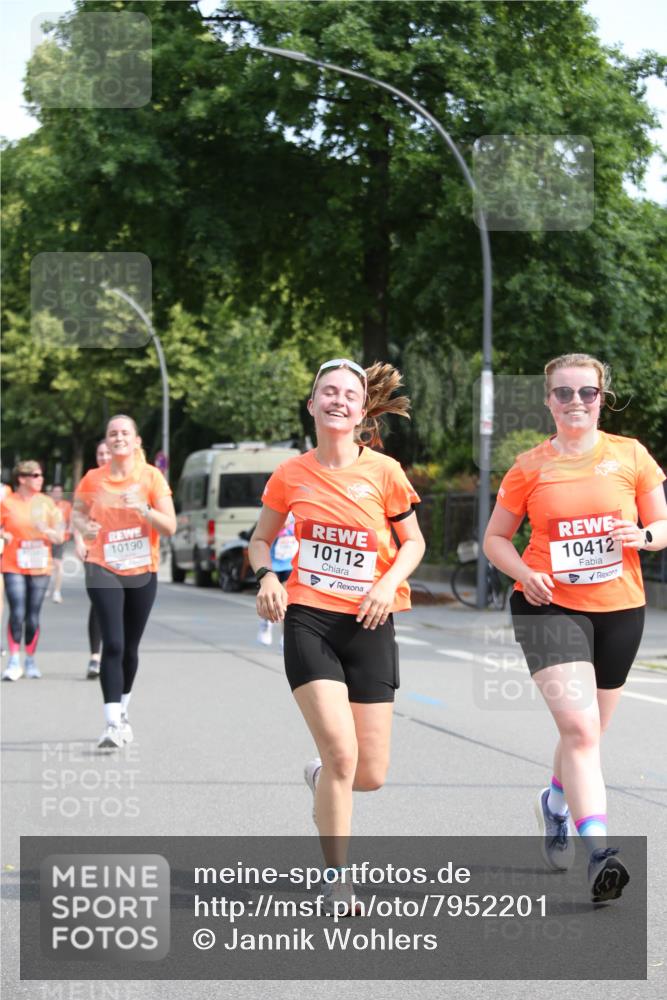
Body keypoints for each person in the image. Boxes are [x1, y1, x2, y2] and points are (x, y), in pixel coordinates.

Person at [483, 353, 667, 903]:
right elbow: (495, 539)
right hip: (547, 607)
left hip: (619, 608)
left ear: (601, 398)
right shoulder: (529, 467)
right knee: (582, 732)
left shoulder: (630, 455)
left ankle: (556, 804)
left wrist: (645, 537)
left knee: (587, 733)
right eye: (563, 392)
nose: (576, 402)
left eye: (587, 392)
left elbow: (661, 522)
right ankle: (600, 854)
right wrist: (525, 573)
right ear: (548, 401)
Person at [249, 359, 425, 913]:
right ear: (312, 405)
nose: (338, 400)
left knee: (367, 775)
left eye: (349, 394)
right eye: (328, 392)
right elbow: (260, 540)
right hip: (310, 620)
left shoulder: (385, 472)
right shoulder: (290, 474)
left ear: (362, 409)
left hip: (370, 622)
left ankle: (321, 779)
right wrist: (268, 577)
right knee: (343, 755)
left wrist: (387, 584)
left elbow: (415, 543)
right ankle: (338, 880)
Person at [73, 416, 176, 748]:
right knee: (113, 644)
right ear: (107, 441)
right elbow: (76, 513)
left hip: (141, 569)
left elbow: (170, 526)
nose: (118, 437)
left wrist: (144, 509)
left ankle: (124, 710)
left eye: (124, 433)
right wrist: (83, 528)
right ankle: (112, 722)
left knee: (130, 647)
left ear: (136, 441)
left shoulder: (151, 477)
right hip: (102, 566)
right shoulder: (93, 478)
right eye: (112, 433)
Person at [1, 461, 65, 680]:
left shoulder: (47, 503)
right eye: (36, 475)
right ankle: (13, 660)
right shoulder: (7, 503)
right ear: (22, 478)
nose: (41, 479)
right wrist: (3, 534)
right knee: (17, 611)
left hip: (40, 565)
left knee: (32, 615)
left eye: (41, 475)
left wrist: (46, 530)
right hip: (13, 564)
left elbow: (60, 536)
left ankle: (30, 659)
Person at [74, 439, 111, 678]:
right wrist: (79, 541)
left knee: (121, 605)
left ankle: (114, 653)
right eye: (100, 453)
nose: (104, 457)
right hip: (95, 551)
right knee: (99, 602)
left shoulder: (131, 479)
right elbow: (78, 514)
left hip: (123, 553)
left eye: (107, 453)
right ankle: (95, 657)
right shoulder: (91, 480)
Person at [256, 513, 297, 648]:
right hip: (272, 564)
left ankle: (284, 637)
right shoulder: (274, 509)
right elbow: (262, 534)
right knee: (271, 598)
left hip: (289, 564)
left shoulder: (298, 511)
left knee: (285, 602)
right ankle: (265, 623)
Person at [49, 484, 72, 603]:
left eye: (59, 492)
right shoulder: (46, 505)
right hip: (47, 538)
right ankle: (46, 587)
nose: (57, 494)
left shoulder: (66, 505)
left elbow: (71, 522)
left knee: (57, 564)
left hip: (61, 539)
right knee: (48, 564)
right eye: (55, 491)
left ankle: (56, 592)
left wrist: (68, 532)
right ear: (51, 493)